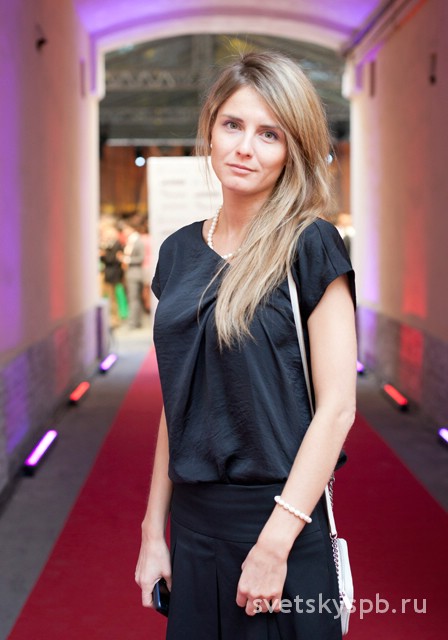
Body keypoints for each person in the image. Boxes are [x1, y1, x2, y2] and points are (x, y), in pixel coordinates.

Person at [135, 51, 357, 639]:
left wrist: (275, 544)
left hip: (282, 524)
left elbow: (338, 408)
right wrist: (153, 532)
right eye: (233, 125)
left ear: (292, 149)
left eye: (269, 134)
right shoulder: (178, 253)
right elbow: (177, 402)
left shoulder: (310, 244)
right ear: (211, 127)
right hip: (193, 529)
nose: (244, 148)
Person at [99, 224, 124, 329]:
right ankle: (112, 318)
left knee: (113, 298)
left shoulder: (117, 245)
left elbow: (113, 259)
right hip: (109, 274)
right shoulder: (110, 245)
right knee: (110, 297)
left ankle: (115, 319)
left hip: (113, 274)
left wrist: (104, 255)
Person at [121, 220, 145, 329]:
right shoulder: (131, 241)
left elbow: (141, 258)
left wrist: (127, 260)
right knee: (134, 298)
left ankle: (134, 322)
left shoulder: (137, 241)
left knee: (134, 298)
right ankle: (136, 320)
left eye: (126, 229)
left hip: (135, 273)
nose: (124, 231)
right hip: (132, 272)